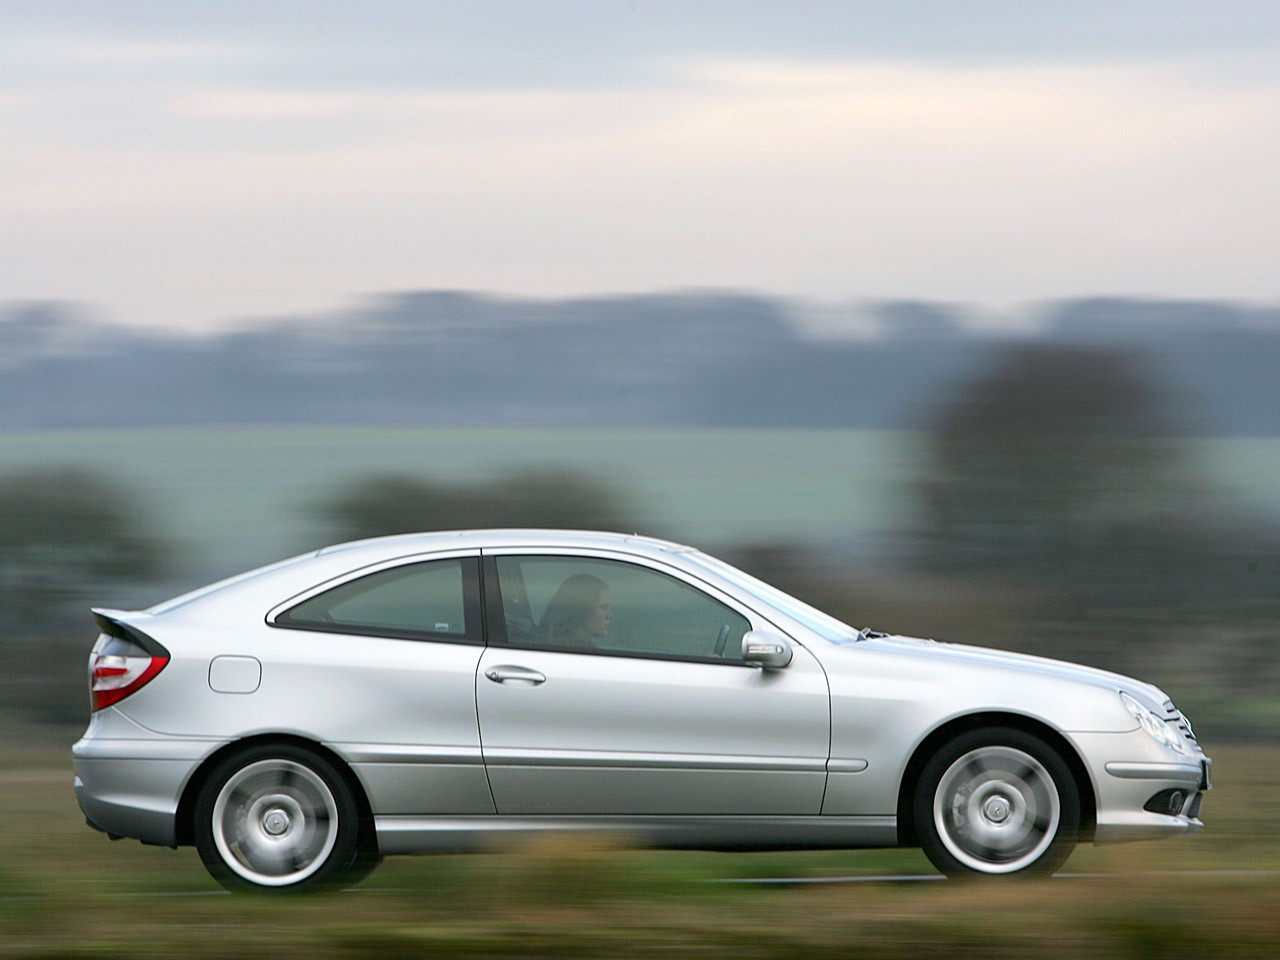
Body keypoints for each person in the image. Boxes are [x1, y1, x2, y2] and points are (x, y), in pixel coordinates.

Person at [538, 573, 612, 648]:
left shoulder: (545, 643)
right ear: (581, 610)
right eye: (603, 607)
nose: (610, 615)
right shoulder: (579, 652)